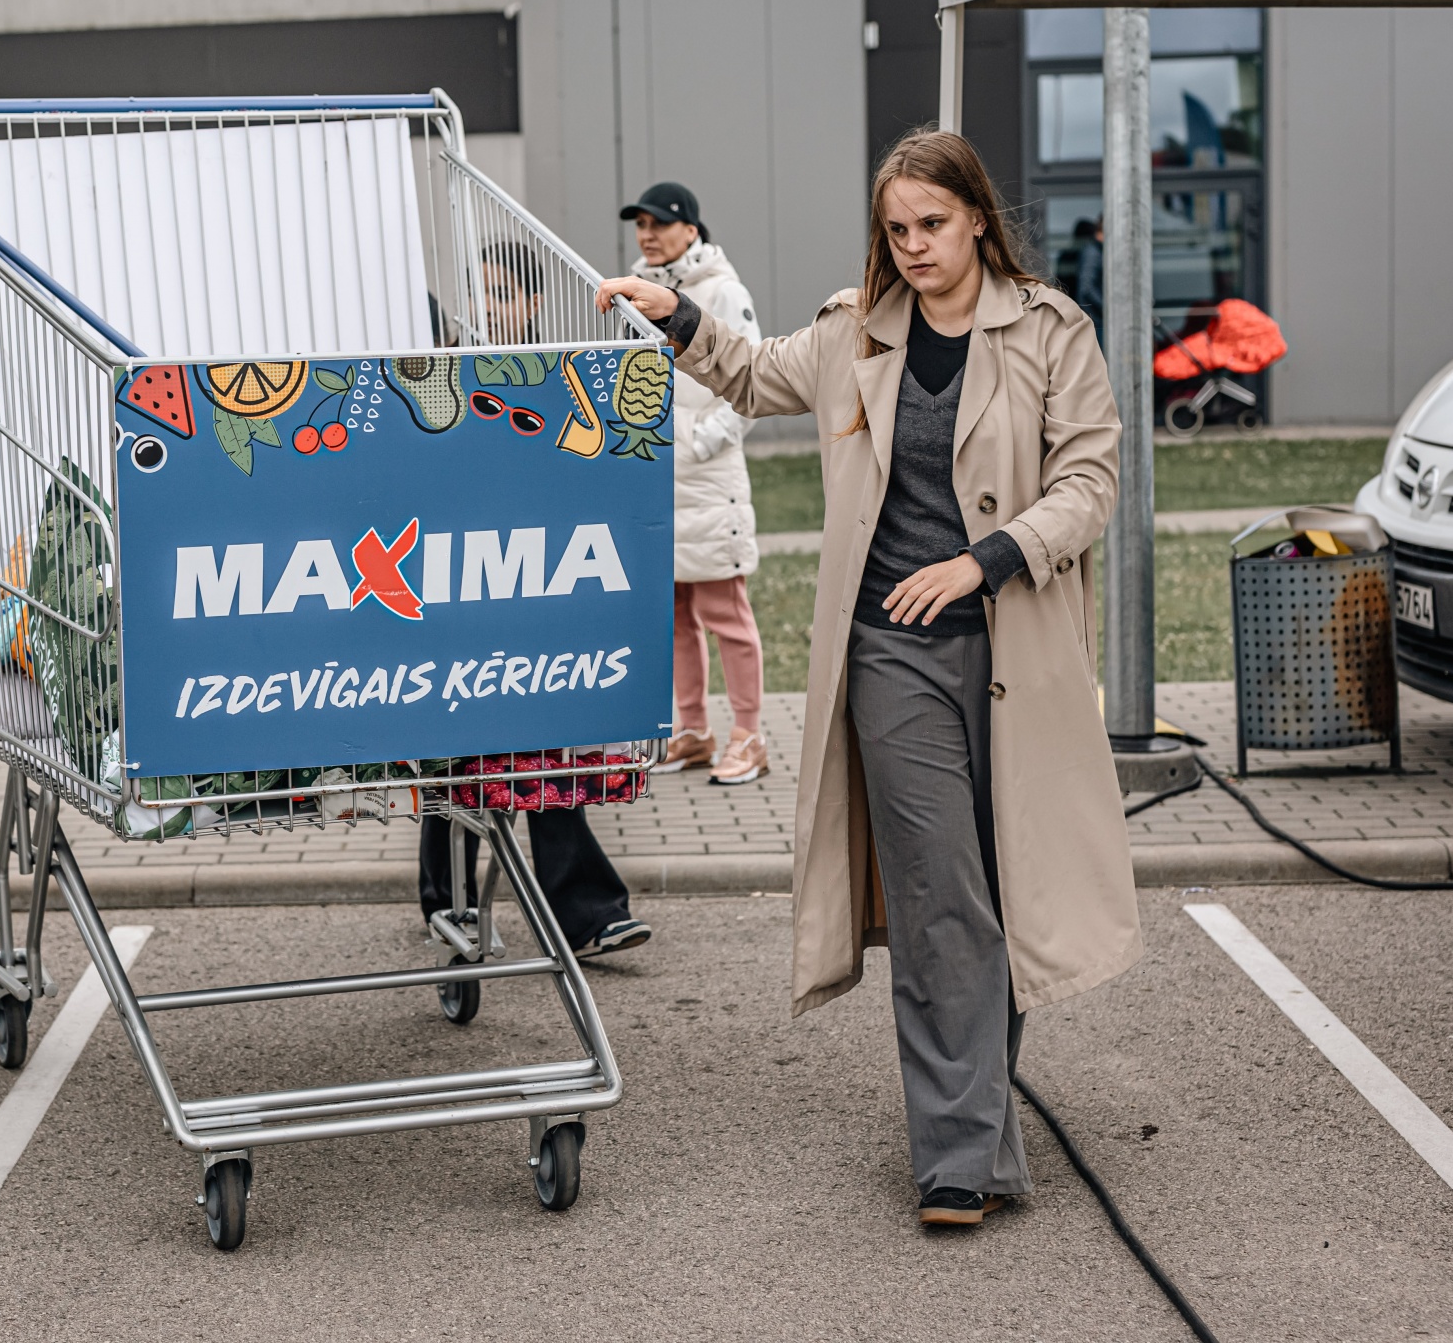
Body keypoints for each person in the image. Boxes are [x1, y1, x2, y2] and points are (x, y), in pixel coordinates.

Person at [596, 129, 1138, 1227]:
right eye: (897, 229)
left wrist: (984, 562)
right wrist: (679, 319)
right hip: (889, 651)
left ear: (977, 217)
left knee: (999, 886)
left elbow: (1089, 481)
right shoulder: (855, 331)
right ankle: (957, 1158)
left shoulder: (1051, 331)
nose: (915, 246)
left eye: (932, 224)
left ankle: (977, 1124)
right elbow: (753, 376)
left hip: (1018, 650)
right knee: (939, 892)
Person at [419, 242, 651, 960]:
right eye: (481, 293)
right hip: (457, 584)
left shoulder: (558, 372)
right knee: (458, 757)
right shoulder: (444, 371)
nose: (490, 307)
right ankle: (450, 903)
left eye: (504, 294)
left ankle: (587, 913)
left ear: (534, 302)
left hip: (536, 582)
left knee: (543, 754)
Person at [619, 184, 769, 785]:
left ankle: (749, 736)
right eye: (640, 224)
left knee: (725, 613)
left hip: (707, 481)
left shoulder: (723, 290)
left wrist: (698, 443)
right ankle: (694, 731)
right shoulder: (635, 295)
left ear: (691, 230)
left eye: (659, 223)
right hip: (656, 479)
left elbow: (753, 381)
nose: (647, 234)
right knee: (674, 615)